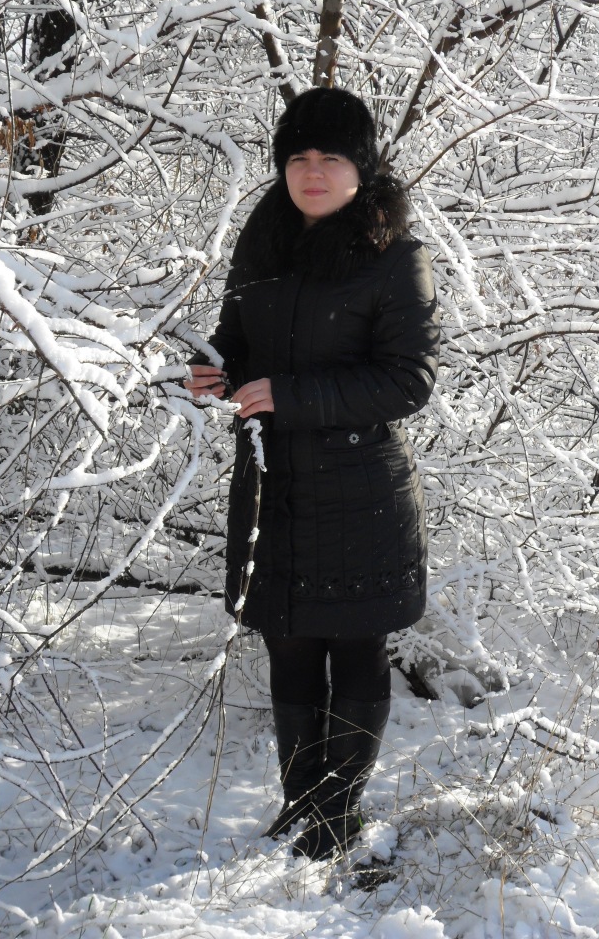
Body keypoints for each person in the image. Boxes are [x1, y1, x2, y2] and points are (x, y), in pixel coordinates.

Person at [186, 87, 439, 861]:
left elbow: (408, 381)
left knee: (355, 648)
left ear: (362, 166)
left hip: (361, 493)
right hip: (274, 488)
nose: (313, 171)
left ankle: (338, 816)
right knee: (288, 645)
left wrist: (292, 397)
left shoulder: (395, 258)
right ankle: (302, 809)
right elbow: (235, 340)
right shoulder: (261, 246)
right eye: (298, 157)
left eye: (331, 157)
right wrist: (213, 369)